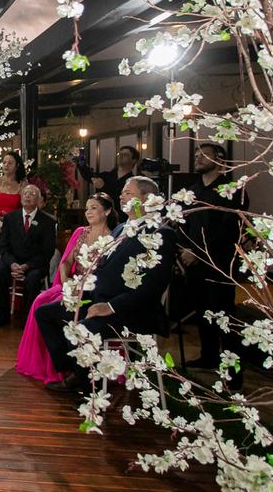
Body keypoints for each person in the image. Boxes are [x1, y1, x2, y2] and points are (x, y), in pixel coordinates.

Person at [36, 176, 177, 394]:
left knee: (81, 330)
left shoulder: (160, 233)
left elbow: (153, 285)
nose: (121, 196)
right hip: (97, 299)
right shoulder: (120, 228)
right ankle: (76, 373)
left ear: (147, 198)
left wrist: (111, 307)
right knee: (46, 313)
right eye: (122, 193)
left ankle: (92, 395)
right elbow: (103, 269)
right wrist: (81, 292)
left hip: (129, 310)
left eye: (128, 193)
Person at [17, 192, 116, 383]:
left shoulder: (113, 238)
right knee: (40, 300)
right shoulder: (80, 232)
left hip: (92, 290)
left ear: (107, 211)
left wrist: (81, 288)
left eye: (94, 208)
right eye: (87, 208)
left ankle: (69, 370)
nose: (88, 212)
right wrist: (66, 282)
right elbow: (66, 262)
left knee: (58, 306)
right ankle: (45, 364)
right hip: (70, 283)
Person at [179, 143, 249, 386]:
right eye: (196, 155)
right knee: (202, 312)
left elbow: (229, 230)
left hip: (219, 262)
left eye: (204, 155)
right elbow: (183, 224)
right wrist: (184, 249)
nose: (197, 158)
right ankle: (208, 355)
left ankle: (233, 371)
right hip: (192, 262)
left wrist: (198, 253)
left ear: (219, 159)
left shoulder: (232, 190)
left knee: (224, 315)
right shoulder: (192, 191)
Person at [0, 184, 57, 326]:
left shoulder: (48, 222)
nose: (27, 196)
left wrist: (27, 265)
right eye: (25, 193)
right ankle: (1, 316)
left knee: (33, 278)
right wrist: (12, 264)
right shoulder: (10, 218)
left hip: (35, 263)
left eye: (32, 194)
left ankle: (27, 319)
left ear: (39, 200)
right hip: (12, 259)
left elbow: (48, 251)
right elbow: (4, 246)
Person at [0, 151, 26, 217]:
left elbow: (26, 208)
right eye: (4, 162)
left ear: (17, 165)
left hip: (13, 220)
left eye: (10, 163)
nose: (6, 165)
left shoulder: (23, 184)